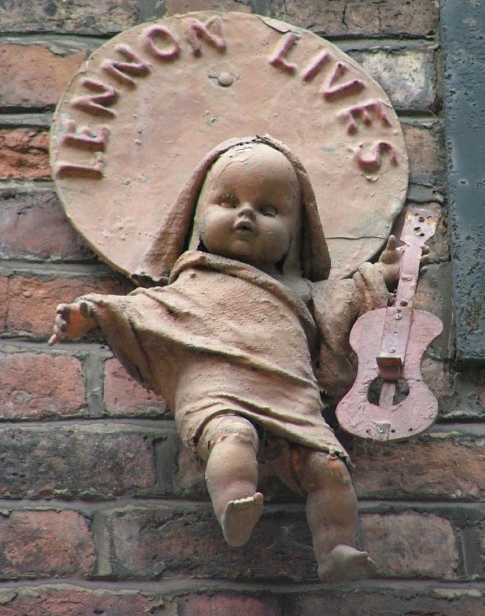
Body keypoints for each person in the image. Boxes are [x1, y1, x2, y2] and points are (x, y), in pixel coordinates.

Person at [49, 135, 402, 582]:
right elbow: (136, 310)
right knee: (233, 437)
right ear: (197, 218)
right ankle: (234, 504)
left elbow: (344, 299)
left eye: (269, 210)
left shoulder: (302, 292)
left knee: (328, 466)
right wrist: (88, 314)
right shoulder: (189, 287)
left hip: (292, 397)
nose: (246, 215)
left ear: (294, 237)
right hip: (217, 394)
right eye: (229, 201)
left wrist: (383, 275)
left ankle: (336, 548)